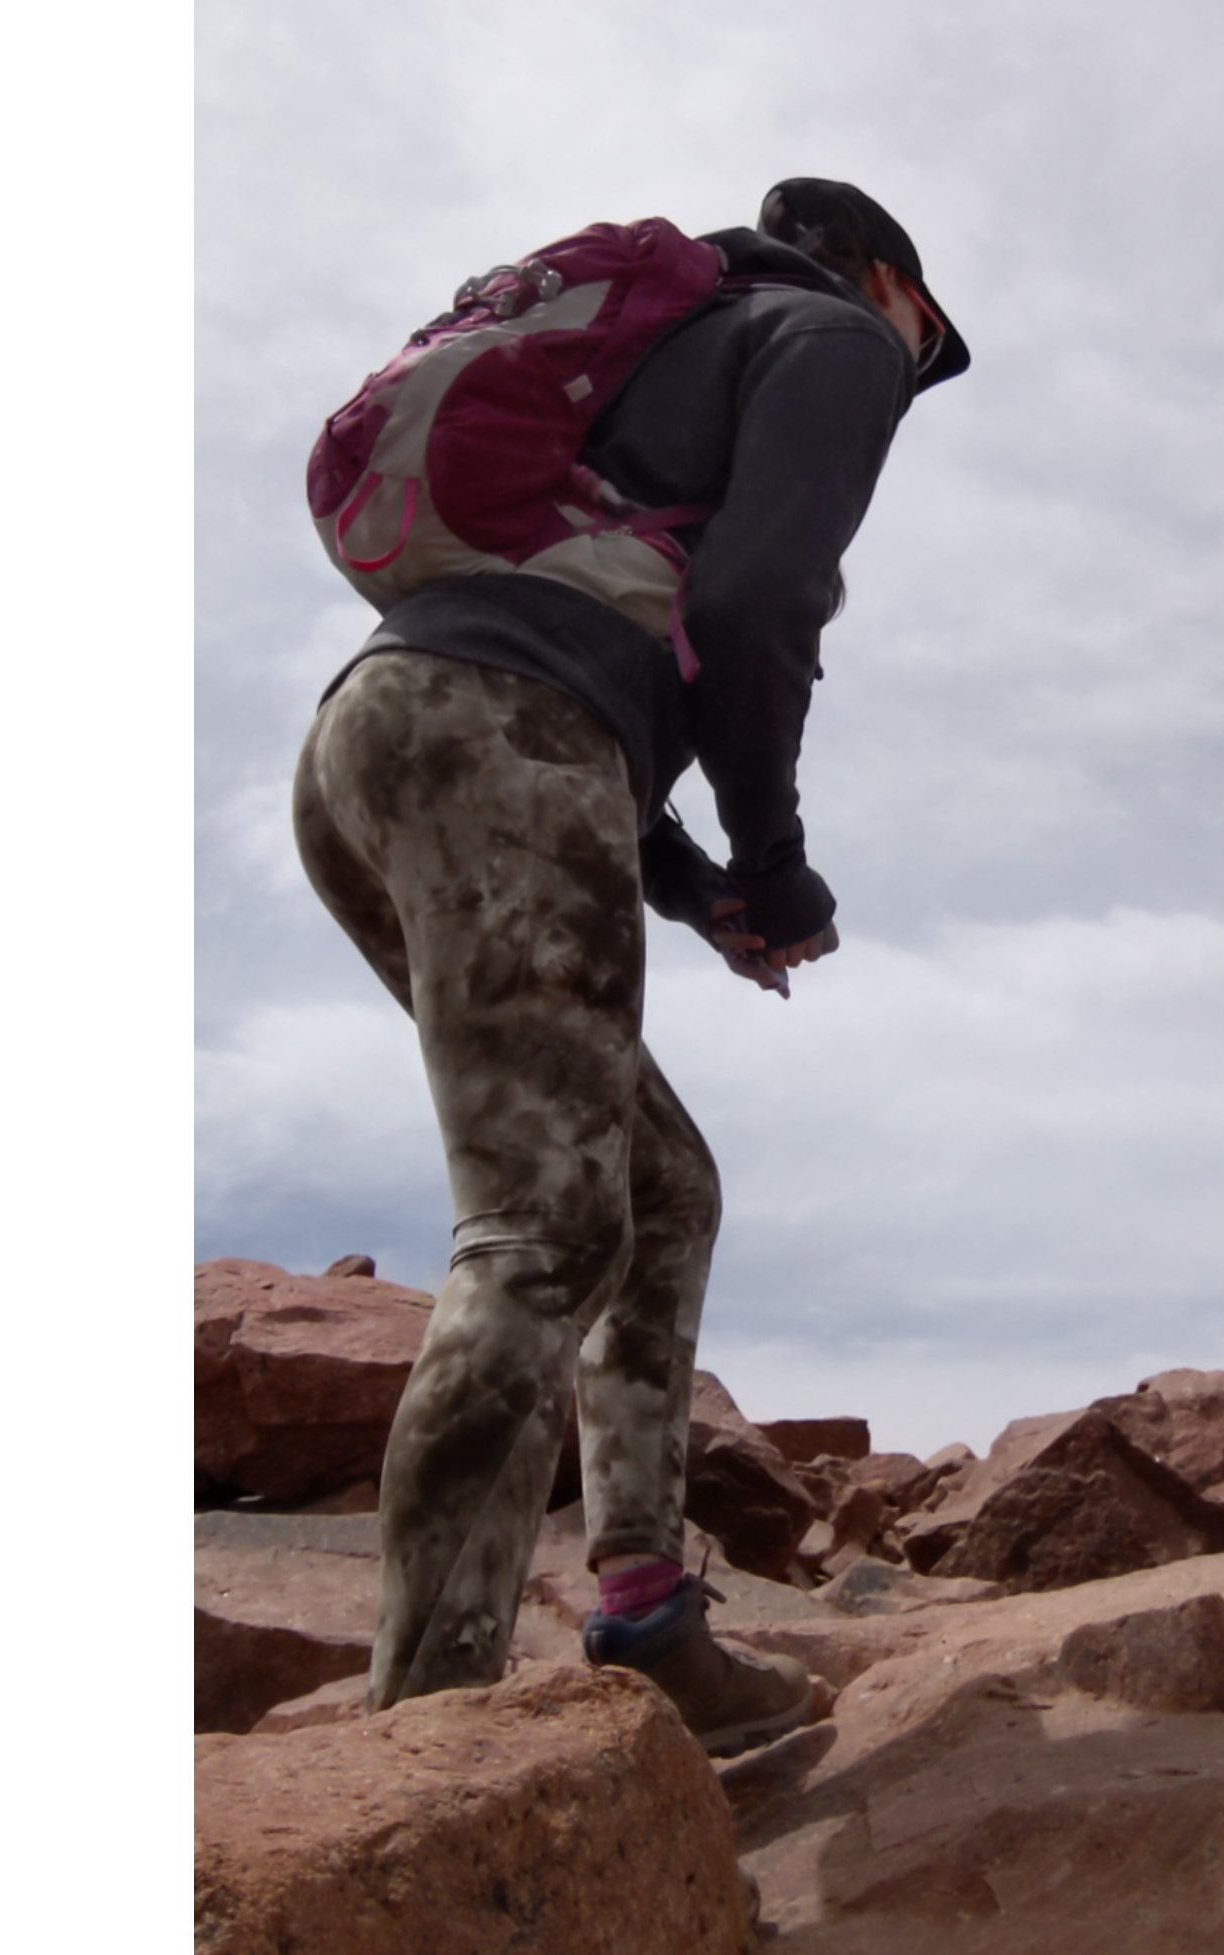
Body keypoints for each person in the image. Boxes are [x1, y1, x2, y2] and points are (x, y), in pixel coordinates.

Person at [290, 179, 970, 1755]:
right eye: (925, 343)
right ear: (888, 281)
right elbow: (750, 606)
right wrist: (779, 861)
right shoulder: (832, 334)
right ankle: (430, 1746)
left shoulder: (641, 360)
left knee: (656, 1188)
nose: (914, 378)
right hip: (499, 738)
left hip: (379, 738)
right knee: (539, 1230)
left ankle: (647, 1617)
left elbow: (593, 657)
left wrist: (694, 885)